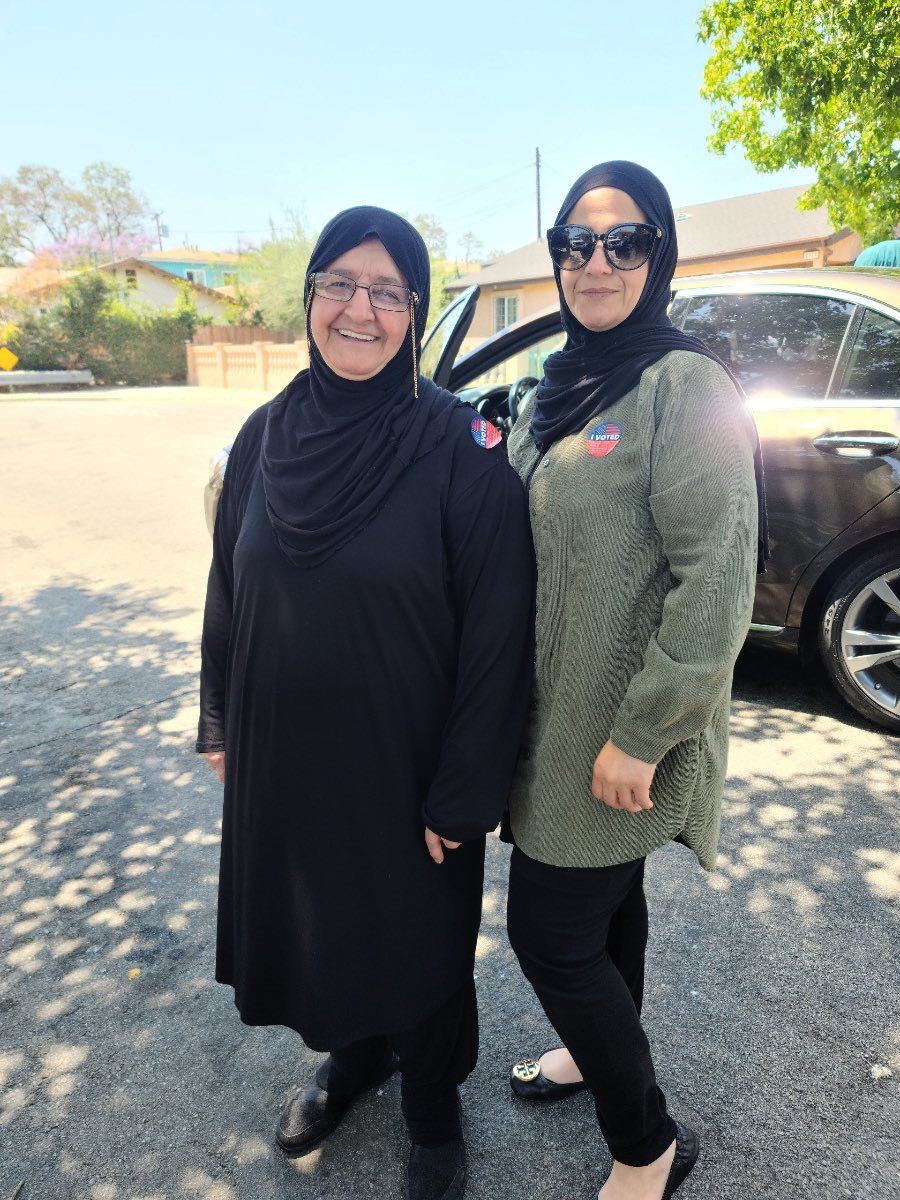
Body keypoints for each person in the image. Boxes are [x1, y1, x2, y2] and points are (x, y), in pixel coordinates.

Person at [197, 206, 534, 1200]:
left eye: (388, 292)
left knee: (415, 940)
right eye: (339, 283)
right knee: (318, 926)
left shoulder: (462, 448)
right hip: (288, 756)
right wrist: (222, 715)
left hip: (407, 763)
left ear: (416, 315)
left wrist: (464, 789)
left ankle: (433, 1114)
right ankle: (355, 1060)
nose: (360, 308)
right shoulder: (264, 434)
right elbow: (229, 582)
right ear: (308, 299)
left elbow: (498, 634)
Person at [503, 162, 765, 1200]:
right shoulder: (561, 383)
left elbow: (719, 578)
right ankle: (597, 1047)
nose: (596, 262)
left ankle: (647, 1142)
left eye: (625, 241)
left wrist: (647, 733)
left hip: (613, 733)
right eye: (576, 241)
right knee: (609, 913)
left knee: (549, 936)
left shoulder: (684, 385)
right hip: (549, 713)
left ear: (660, 257)